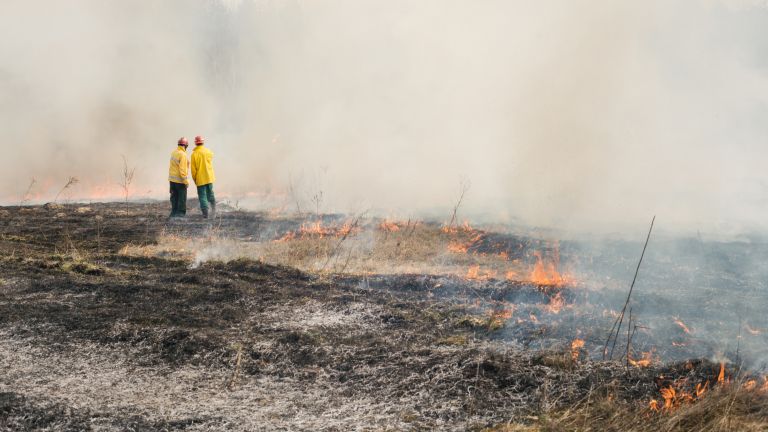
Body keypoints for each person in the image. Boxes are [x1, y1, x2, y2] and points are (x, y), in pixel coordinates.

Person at [190, 135, 216, 218]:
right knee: (210, 194)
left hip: (200, 179)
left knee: (202, 196)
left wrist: (195, 180)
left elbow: (193, 170)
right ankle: (214, 210)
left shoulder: (194, 154)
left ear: (195, 143)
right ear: (203, 142)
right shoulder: (208, 152)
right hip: (209, 177)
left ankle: (206, 214)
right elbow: (211, 157)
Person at [168, 137, 189, 218]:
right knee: (182, 198)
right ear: (185, 146)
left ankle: (173, 213)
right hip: (180, 181)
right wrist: (186, 182)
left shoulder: (174, 152)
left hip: (172, 180)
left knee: (174, 198)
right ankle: (180, 215)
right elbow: (182, 170)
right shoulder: (183, 155)